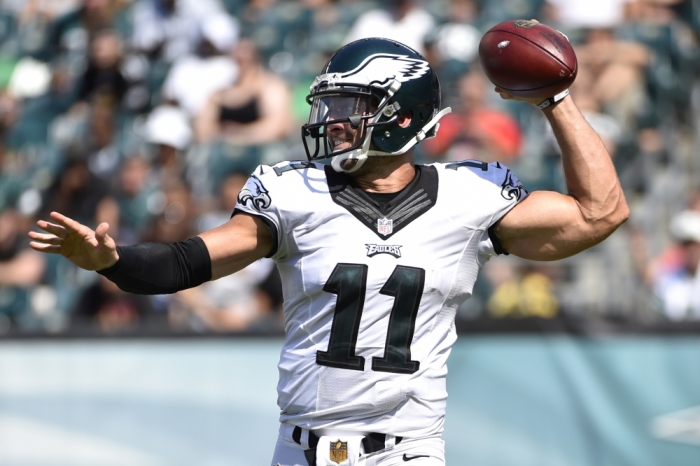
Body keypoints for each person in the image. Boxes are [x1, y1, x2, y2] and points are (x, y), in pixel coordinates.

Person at [28, 37, 629, 466]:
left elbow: (600, 213)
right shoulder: (295, 192)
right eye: (331, 105)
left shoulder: (469, 196)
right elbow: (187, 262)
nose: (332, 120)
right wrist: (112, 261)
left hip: (406, 451)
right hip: (298, 449)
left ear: (400, 115)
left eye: (351, 106)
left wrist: (557, 99)